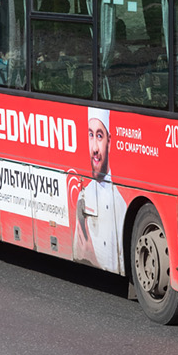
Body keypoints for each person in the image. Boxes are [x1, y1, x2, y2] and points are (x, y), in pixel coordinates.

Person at [73, 106, 126, 272]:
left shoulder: (121, 205)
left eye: (99, 136)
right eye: (91, 135)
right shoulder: (83, 196)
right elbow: (77, 253)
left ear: (109, 142)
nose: (94, 148)